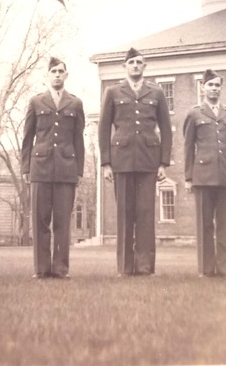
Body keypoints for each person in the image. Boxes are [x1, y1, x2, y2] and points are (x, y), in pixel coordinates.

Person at [98, 48, 172, 276]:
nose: (136, 66)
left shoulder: (157, 93)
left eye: (139, 62)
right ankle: (125, 267)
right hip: (121, 161)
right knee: (124, 214)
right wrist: (106, 164)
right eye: (131, 62)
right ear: (125, 67)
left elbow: (166, 130)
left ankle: (145, 266)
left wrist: (163, 164)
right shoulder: (112, 91)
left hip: (148, 162)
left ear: (145, 66)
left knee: (146, 214)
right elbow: (103, 128)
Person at [21, 57, 85, 279]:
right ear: (47, 75)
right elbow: (27, 137)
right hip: (40, 168)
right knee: (40, 221)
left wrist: (79, 171)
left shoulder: (75, 103)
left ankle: (60, 269)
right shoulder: (36, 102)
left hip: (67, 169)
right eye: (53, 71)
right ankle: (41, 269)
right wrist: (26, 168)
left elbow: (79, 139)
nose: (57, 75)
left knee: (62, 223)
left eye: (61, 71)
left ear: (66, 75)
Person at [183, 69, 226, 277]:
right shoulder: (194, 114)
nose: (214, 89)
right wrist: (188, 177)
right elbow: (188, 147)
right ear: (203, 87)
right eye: (210, 85)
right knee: (204, 225)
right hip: (203, 175)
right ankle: (206, 269)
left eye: (217, 85)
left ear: (221, 88)